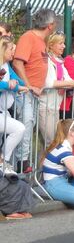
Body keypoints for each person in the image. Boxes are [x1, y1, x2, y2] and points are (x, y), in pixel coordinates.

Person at [13, 9, 58, 173]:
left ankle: (29, 163)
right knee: (26, 123)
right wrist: (29, 85)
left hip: (36, 92)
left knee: (31, 126)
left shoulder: (40, 41)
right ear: (50, 25)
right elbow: (18, 63)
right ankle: (21, 161)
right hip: (26, 92)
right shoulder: (28, 38)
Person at [40, 32, 74, 149]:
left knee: (54, 141)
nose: (64, 46)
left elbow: (69, 79)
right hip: (46, 106)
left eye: (64, 43)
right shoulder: (48, 61)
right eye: (60, 43)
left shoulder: (59, 61)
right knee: (51, 142)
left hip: (54, 106)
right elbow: (50, 83)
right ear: (51, 45)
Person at [0, 38, 27, 173]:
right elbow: (6, 85)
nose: (13, 53)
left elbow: (19, 81)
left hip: (4, 111)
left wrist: (14, 84)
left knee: (17, 130)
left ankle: (3, 161)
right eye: (11, 49)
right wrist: (9, 85)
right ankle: (2, 161)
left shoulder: (6, 65)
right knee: (19, 128)